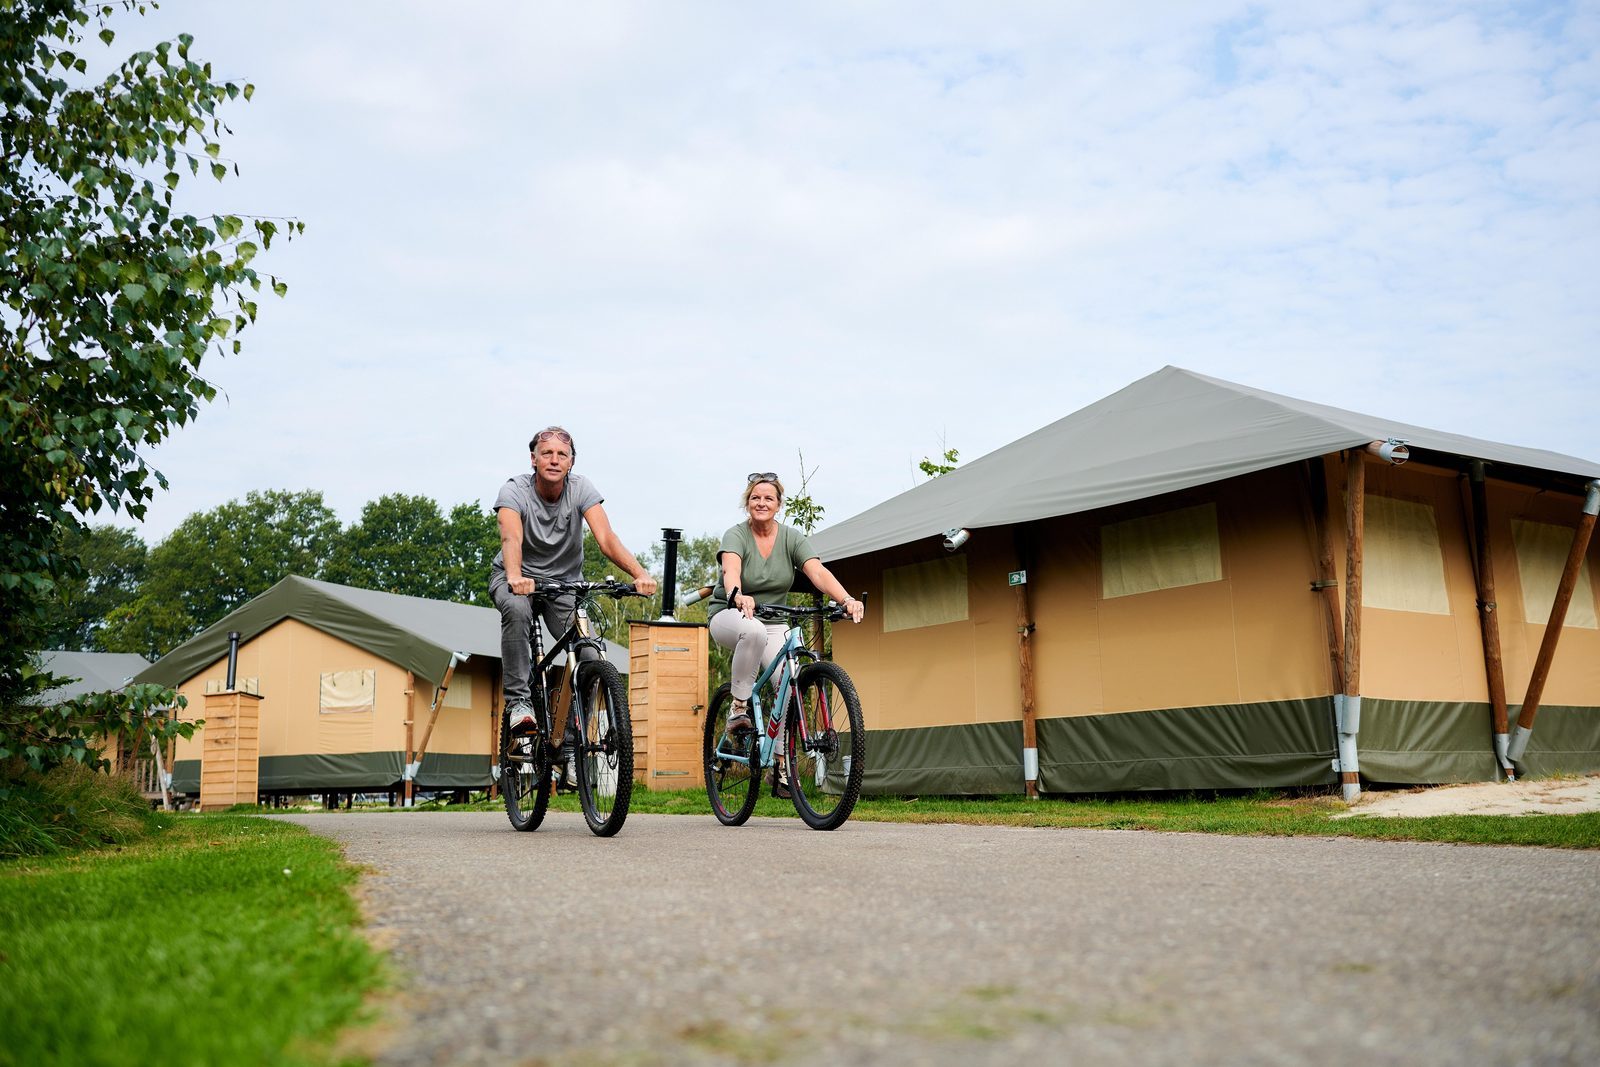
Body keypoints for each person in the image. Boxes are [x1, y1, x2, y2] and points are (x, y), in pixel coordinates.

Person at [489, 426, 658, 781]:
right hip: (515, 577)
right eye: (546, 453)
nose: (554, 459)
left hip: (563, 585)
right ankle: (520, 703)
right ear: (533, 458)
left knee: (589, 653)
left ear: (571, 462)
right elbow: (511, 535)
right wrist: (517, 575)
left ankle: (568, 742)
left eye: (561, 454)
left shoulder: (581, 489)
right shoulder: (514, 490)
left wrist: (639, 573)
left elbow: (606, 538)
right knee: (517, 611)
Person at [708, 472, 864, 796]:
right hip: (731, 614)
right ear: (747, 503)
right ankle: (738, 708)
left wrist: (846, 599)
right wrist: (737, 593)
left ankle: (780, 764)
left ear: (779, 505)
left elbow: (817, 572)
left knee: (790, 682)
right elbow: (730, 570)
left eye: (768, 498)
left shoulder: (792, 538)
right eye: (755, 497)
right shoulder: (736, 535)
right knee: (751, 631)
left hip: (774, 618)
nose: (761, 502)